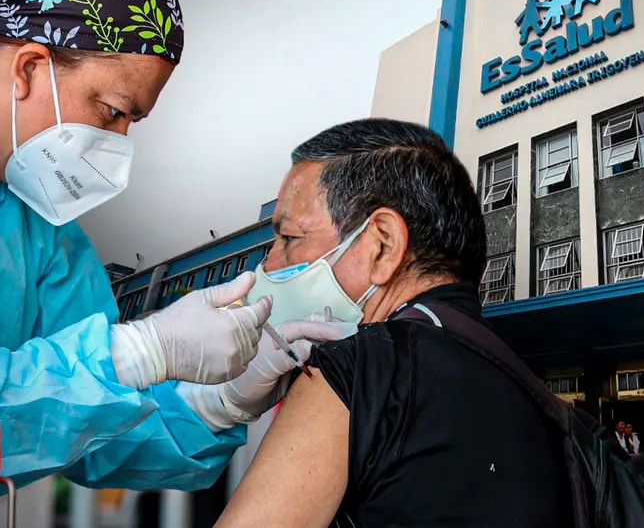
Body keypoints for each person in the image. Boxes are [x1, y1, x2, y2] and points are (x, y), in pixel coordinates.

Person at [0, 0, 343, 508]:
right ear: (29, 66)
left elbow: (81, 419)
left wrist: (215, 402)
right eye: (112, 111)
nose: (116, 145)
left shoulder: (39, 223)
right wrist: (136, 353)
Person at [214, 118, 574, 527]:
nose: (270, 262)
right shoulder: (542, 406)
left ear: (383, 245)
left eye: (289, 238)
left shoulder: (356, 373)